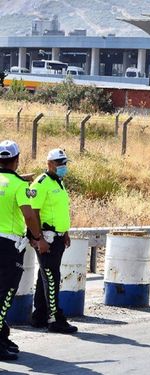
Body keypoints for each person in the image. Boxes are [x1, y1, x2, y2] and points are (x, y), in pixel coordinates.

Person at [0, 140, 49, 361]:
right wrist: (37, 237)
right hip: (8, 245)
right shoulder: (20, 186)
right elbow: (29, 215)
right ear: (17, 160)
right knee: (5, 294)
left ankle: (2, 338)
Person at [29, 148, 77, 334]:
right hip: (45, 238)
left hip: (57, 236)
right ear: (49, 164)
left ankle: (39, 315)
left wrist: (64, 232)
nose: (63, 166)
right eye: (59, 163)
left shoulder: (58, 182)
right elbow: (33, 212)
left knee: (45, 276)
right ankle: (55, 319)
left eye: (65, 163)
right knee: (51, 277)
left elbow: (59, 211)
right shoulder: (41, 183)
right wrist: (38, 238)